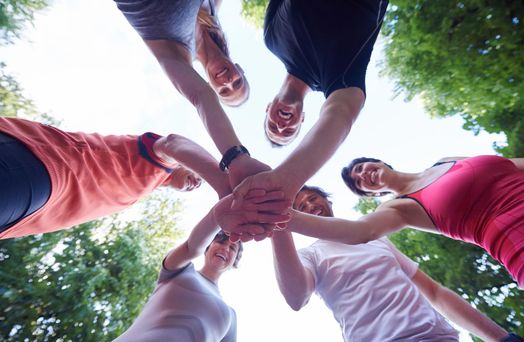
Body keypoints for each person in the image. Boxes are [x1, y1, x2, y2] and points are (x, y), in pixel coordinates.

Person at [271, 185, 524, 342]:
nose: (310, 205)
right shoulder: (311, 254)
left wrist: (505, 340)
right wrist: (277, 224)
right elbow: (296, 297)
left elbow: (434, 292)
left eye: (313, 198)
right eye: (301, 207)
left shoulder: (375, 237)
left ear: (326, 199)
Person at [231, 0, 387, 229]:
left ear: (267, 108)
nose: (282, 126)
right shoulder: (337, 78)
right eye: (289, 132)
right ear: (303, 119)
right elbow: (341, 113)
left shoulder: (272, 39)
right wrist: (285, 178)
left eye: (273, 127)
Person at [104, 190, 290, 342]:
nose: (226, 248)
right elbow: (191, 247)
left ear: (235, 261)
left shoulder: (230, 316)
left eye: (233, 248)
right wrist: (217, 216)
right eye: (221, 241)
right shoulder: (181, 269)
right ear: (208, 246)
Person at [114, 0, 268, 188]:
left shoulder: (178, 55)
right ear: (239, 69)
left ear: (211, 86)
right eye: (237, 82)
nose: (228, 81)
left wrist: (236, 157)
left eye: (224, 91)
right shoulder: (213, 11)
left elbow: (201, 97)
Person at [0, 117, 231, 239]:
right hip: (45, 167)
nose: (198, 182)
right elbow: (173, 143)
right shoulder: (160, 161)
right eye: (199, 173)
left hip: (31, 212)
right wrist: (225, 186)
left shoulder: (147, 185)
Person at [329, 155, 524, 287]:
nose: (362, 174)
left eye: (360, 168)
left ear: (379, 162)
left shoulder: (445, 161)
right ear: (374, 193)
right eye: (358, 182)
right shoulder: (397, 208)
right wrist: (297, 217)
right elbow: (361, 231)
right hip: (515, 235)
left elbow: (511, 164)